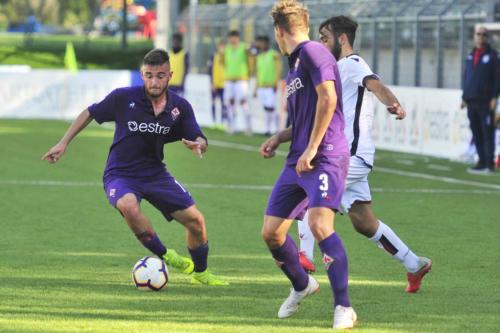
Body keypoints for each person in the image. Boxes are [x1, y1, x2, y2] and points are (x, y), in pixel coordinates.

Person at [42, 48, 228, 286]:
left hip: (155, 173)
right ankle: (166, 255)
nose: (154, 81)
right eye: (149, 75)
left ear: (170, 75)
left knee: (196, 222)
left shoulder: (179, 107)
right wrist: (63, 142)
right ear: (142, 74)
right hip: (120, 174)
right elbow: (90, 112)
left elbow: (199, 136)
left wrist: (199, 145)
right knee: (128, 205)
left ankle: (200, 272)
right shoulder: (123, 97)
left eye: (160, 75)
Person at [296, 15, 432, 294]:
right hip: (344, 155)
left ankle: (304, 260)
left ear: (341, 39)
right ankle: (414, 263)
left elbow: (374, 84)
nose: (321, 43)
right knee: (363, 220)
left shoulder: (353, 64)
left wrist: (393, 103)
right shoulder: (335, 69)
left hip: (351, 155)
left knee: (308, 189)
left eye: (325, 37)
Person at [260, 1, 356, 329]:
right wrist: (279, 136)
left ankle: (344, 307)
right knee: (272, 233)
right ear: (305, 21)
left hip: (325, 156)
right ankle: (302, 285)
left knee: (319, 224)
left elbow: (328, 99)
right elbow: (305, 115)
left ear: (278, 32)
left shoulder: (314, 52)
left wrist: (313, 147)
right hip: (298, 159)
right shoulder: (296, 62)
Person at [461, 26, 500, 174]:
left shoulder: (493, 56)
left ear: (487, 37)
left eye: (484, 34)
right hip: (471, 100)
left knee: (487, 132)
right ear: (474, 36)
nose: (481, 37)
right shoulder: (470, 55)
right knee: (476, 132)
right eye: (479, 34)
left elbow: (497, 79)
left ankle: (489, 164)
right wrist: (464, 97)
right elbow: (467, 77)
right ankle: (481, 161)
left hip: (486, 101)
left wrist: (494, 97)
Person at [223, 30, 252, 134]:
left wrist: (249, 72)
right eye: (231, 37)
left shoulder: (244, 47)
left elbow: (251, 56)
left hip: (241, 80)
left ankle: (248, 127)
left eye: (234, 37)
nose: (232, 39)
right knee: (230, 103)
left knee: (243, 102)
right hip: (229, 80)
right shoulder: (227, 49)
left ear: (238, 38)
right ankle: (232, 126)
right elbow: (223, 62)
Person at [255, 35, 282, 135]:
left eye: (262, 43)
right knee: (266, 109)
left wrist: (276, 82)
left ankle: (276, 129)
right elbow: (258, 72)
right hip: (261, 86)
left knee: (272, 108)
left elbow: (278, 69)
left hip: (271, 86)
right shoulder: (259, 57)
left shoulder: (273, 54)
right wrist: (256, 87)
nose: (260, 45)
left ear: (267, 44)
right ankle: (267, 129)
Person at [207, 40, 228, 129]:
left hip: (224, 84)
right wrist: (212, 83)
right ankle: (214, 121)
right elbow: (210, 70)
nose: (221, 48)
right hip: (215, 84)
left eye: (223, 46)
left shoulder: (227, 56)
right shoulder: (213, 56)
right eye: (220, 46)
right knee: (213, 102)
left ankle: (223, 122)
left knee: (224, 103)